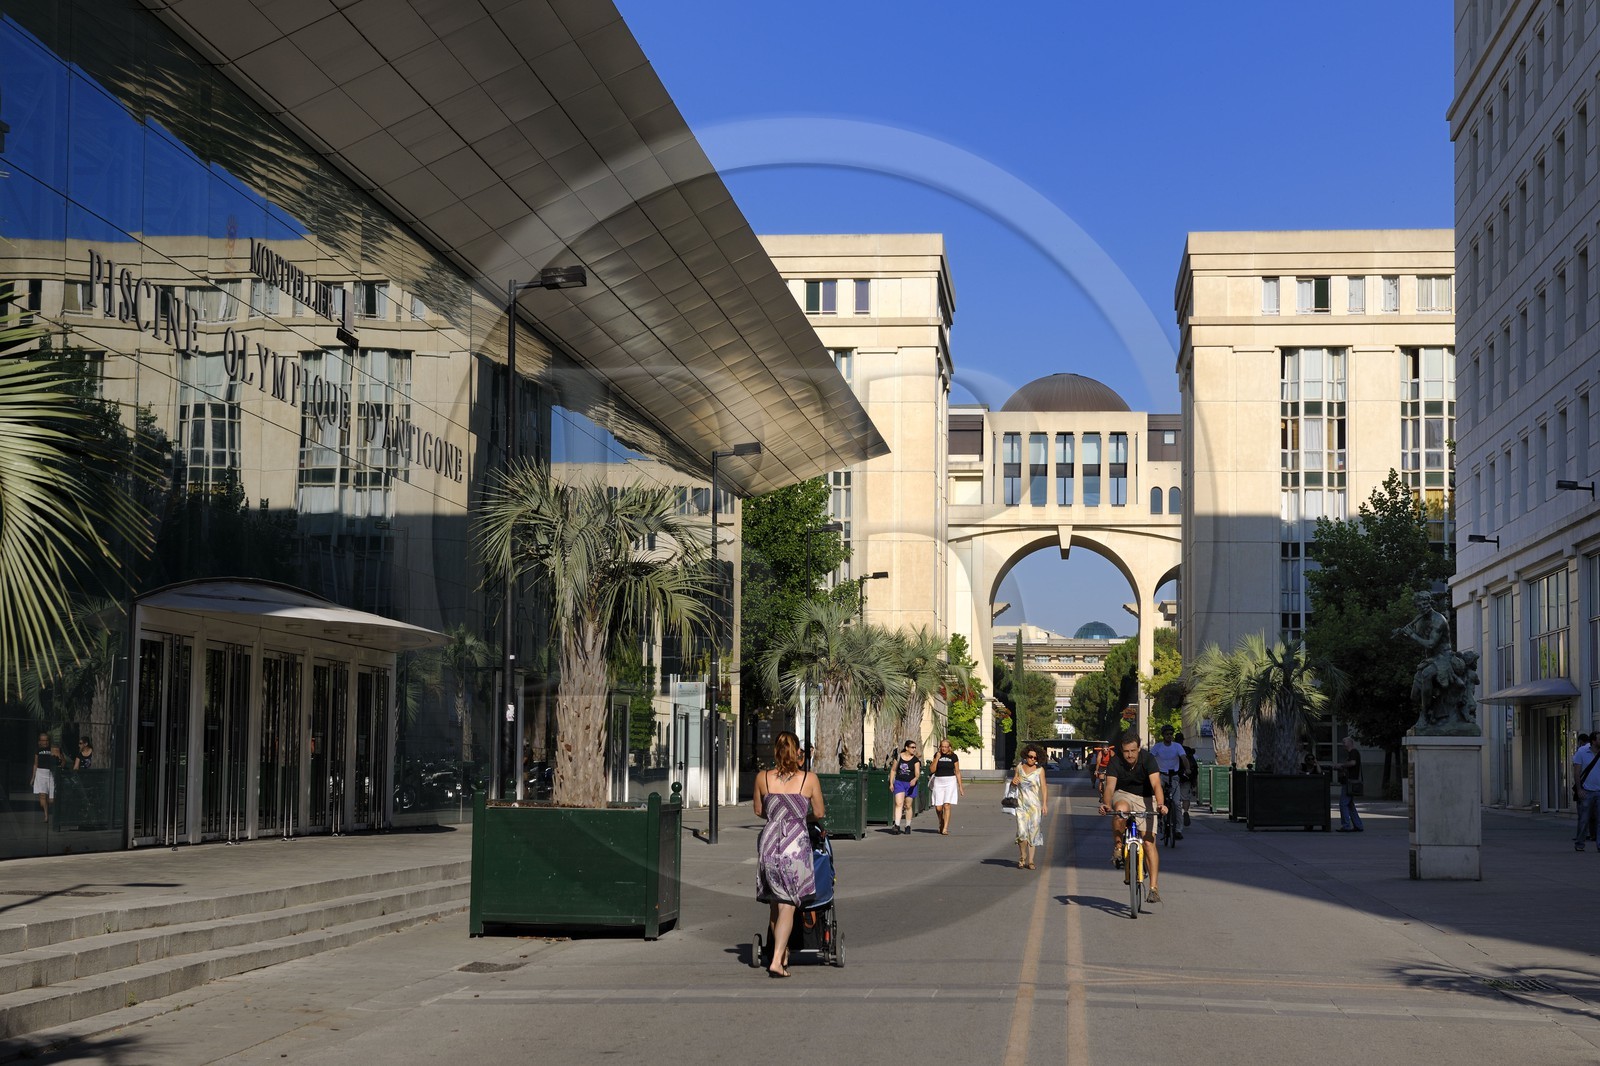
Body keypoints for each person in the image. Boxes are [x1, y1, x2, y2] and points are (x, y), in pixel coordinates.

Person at [753, 730, 825, 978]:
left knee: (775, 902)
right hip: (795, 845)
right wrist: (797, 815)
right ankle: (776, 960)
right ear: (798, 753)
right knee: (788, 905)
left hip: (770, 843)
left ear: (775, 751)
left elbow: (758, 810)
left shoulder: (763, 778)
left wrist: (777, 815)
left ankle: (781, 953)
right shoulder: (809, 779)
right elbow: (819, 812)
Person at [1098, 729, 1167, 903]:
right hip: (1124, 794)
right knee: (1121, 810)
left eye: (1133, 751)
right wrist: (1106, 804)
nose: (1129, 755)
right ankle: (1119, 846)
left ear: (1138, 749)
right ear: (1122, 750)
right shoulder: (1115, 761)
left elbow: (1157, 784)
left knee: (1149, 843)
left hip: (1146, 797)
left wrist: (1160, 804)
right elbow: (1109, 787)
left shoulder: (1148, 759)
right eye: (1126, 751)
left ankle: (1153, 888)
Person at [1011, 744, 1047, 869]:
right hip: (1021, 805)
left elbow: (1044, 788)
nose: (1031, 759)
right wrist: (1013, 782)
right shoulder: (1019, 767)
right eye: (1029, 756)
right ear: (1025, 756)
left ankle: (1031, 861)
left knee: (1033, 833)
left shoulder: (1040, 770)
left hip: (1035, 806)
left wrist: (1045, 804)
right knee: (1022, 832)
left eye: (1034, 758)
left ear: (1038, 759)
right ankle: (1023, 856)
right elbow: (1013, 784)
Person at [1149, 725, 1185, 840]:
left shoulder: (1177, 746)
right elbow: (1149, 758)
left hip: (1174, 776)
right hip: (1161, 776)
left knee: (1176, 803)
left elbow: (1183, 758)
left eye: (1171, 734)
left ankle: (1178, 829)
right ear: (1163, 735)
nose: (1169, 736)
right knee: (1158, 801)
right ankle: (1159, 821)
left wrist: (1187, 768)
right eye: (1167, 734)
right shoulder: (1158, 747)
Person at [927, 738, 965, 835]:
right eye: (942, 747)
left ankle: (945, 828)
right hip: (939, 781)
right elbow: (931, 770)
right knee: (938, 807)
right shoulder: (937, 755)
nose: (943, 749)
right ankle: (941, 820)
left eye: (945, 747)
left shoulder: (953, 756)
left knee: (947, 805)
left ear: (949, 748)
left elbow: (957, 771)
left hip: (950, 781)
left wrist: (960, 786)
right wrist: (936, 758)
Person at [1573, 733, 1600, 851]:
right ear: (1594, 741)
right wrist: (1579, 789)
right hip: (1586, 792)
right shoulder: (1582, 752)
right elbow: (1577, 772)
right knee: (1584, 819)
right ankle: (1579, 843)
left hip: (1599, 791)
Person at [889, 740, 921, 834]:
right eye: (912, 747)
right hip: (899, 782)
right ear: (906, 748)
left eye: (915, 747)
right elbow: (893, 770)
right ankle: (897, 825)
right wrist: (891, 783)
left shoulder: (915, 760)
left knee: (908, 805)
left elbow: (917, 773)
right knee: (899, 804)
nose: (914, 749)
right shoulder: (898, 757)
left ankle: (907, 825)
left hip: (910, 784)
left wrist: (915, 779)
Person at [1335, 735, 1364, 832]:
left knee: (1343, 803)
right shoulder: (1352, 753)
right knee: (1350, 804)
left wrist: (1341, 765)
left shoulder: (1353, 752)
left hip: (1350, 782)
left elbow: (1353, 763)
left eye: (1344, 742)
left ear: (1350, 743)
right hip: (1351, 781)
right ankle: (1358, 825)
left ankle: (1346, 825)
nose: (1343, 744)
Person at [32, 733, 61, 823]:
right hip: (40, 773)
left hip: (50, 774)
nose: (45, 742)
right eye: (43, 740)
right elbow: (35, 764)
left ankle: (50, 808)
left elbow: (60, 760)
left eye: (46, 740)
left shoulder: (53, 749)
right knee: (43, 797)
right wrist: (33, 777)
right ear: (40, 742)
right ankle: (46, 816)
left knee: (51, 800)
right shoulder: (38, 750)